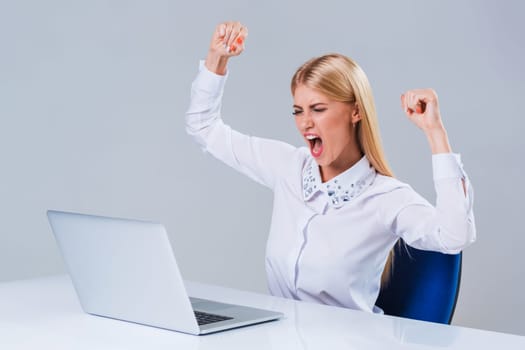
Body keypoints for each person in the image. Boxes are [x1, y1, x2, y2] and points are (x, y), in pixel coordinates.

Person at [185, 21, 476, 314]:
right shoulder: (288, 166)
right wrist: (216, 59)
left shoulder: (385, 197)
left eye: (318, 109)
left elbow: (454, 236)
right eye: (298, 111)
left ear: (356, 111)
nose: (305, 123)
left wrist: (435, 132)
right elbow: (204, 129)